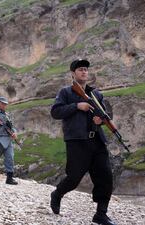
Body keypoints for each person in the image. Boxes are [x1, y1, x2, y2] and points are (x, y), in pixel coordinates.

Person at [50, 59, 115, 225]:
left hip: (97, 141)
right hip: (77, 142)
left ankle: (101, 214)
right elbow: (55, 112)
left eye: (85, 69)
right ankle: (57, 194)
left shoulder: (96, 94)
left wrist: (100, 121)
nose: (84, 72)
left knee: (106, 177)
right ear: (73, 73)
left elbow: (106, 115)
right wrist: (77, 106)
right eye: (80, 70)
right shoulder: (65, 92)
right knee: (73, 178)